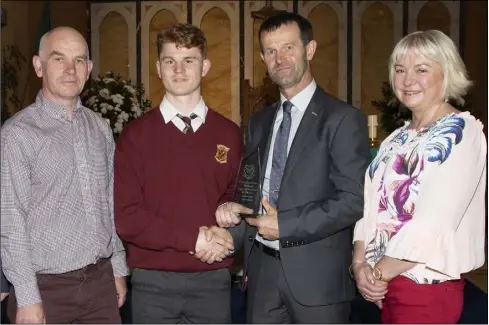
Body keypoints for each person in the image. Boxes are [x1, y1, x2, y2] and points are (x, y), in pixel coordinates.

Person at [213, 12, 371, 323]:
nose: (279, 58)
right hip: (262, 274)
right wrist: (236, 208)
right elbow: (255, 188)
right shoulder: (259, 122)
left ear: (309, 50)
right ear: (262, 57)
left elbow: (353, 200)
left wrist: (286, 224)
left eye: (288, 47)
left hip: (318, 280)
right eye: (270, 51)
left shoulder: (342, 119)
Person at [351, 30, 487, 324]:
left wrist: (376, 273)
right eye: (400, 70)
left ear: (446, 73)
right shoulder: (395, 139)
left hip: (424, 287)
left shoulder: (461, 132)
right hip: (383, 285)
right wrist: (360, 264)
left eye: (421, 69)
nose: (407, 80)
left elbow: (434, 222)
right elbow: (370, 210)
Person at [0, 27, 129, 324]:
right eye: (59, 59)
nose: (71, 69)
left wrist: (118, 268)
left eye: (80, 60)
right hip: (46, 290)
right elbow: (10, 220)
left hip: (99, 283)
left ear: (89, 69)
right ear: (38, 65)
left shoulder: (99, 127)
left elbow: (110, 204)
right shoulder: (17, 135)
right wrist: (28, 297)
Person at [114, 23, 240, 324]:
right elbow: (127, 217)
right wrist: (193, 239)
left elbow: (238, 198)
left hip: (212, 281)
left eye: (189, 60)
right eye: (170, 61)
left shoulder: (230, 134)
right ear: (158, 68)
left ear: (205, 66)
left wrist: (228, 230)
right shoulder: (135, 137)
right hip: (153, 284)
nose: (179, 70)